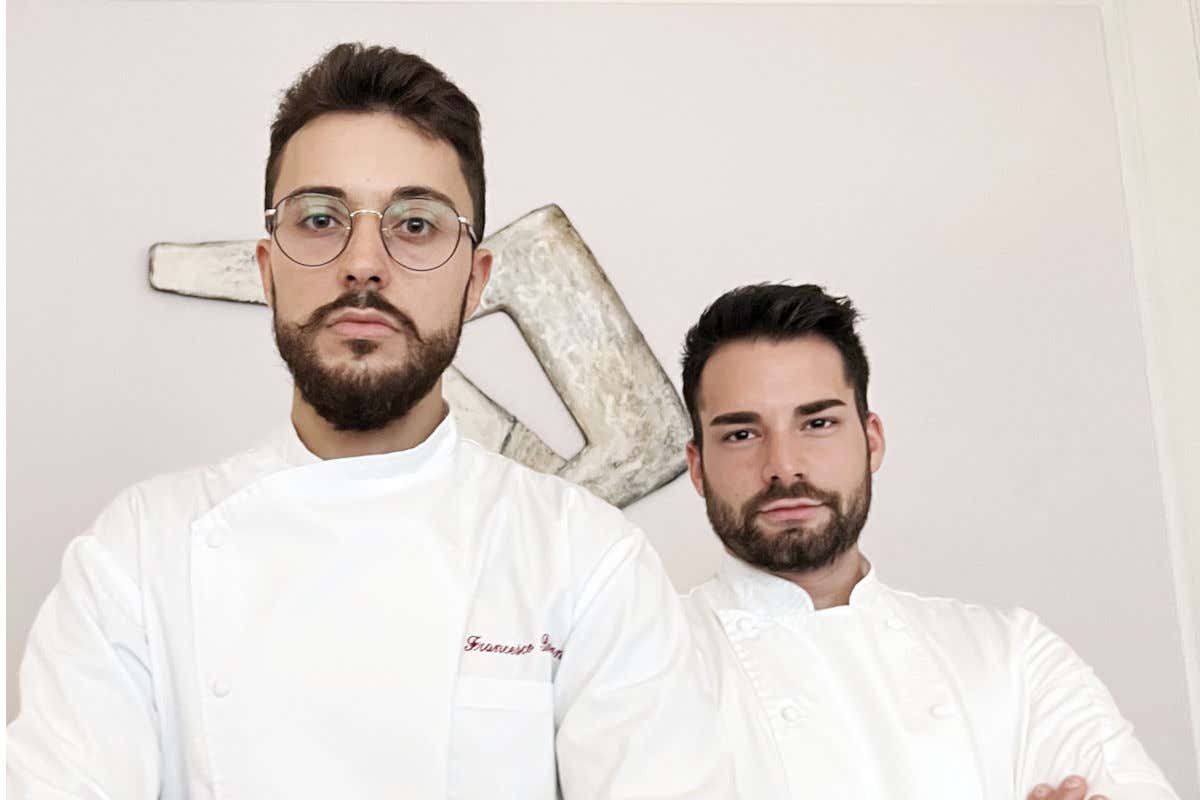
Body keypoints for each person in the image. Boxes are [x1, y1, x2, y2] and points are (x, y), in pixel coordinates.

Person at [7, 43, 732, 799]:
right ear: (268, 272)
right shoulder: (137, 554)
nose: (363, 263)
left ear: (475, 282)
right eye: (320, 219)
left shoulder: (585, 560)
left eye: (415, 224)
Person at [678, 283, 1180, 800]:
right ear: (697, 466)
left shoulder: (1011, 657)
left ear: (872, 440)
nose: (783, 466)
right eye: (741, 434)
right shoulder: (652, 670)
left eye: (818, 423)